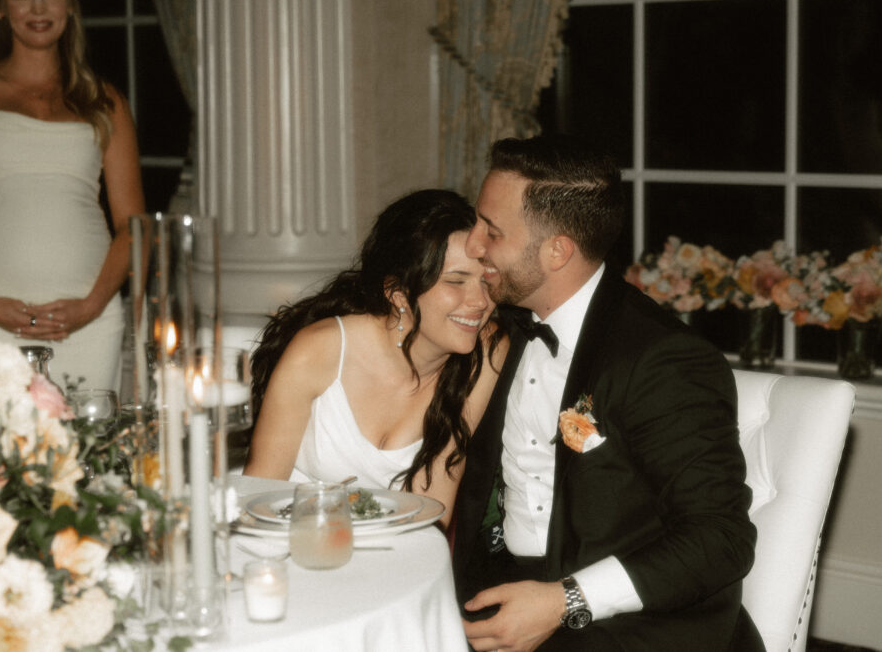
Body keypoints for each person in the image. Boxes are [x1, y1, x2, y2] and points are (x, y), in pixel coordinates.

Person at [452, 136, 764, 651]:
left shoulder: (662, 360)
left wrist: (563, 601)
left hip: (629, 626)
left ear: (558, 250)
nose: (473, 244)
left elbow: (720, 540)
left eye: (493, 230)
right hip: (501, 589)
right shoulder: (497, 324)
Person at [0, 0, 144, 391]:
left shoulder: (105, 99)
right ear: (1, 10)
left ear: (70, 6)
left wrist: (92, 306)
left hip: (87, 322)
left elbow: (135, 226)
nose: (38, 9)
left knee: (88, 455)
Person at [244, 190, 506, 523]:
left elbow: (433, 511)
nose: (480, 301)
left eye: (486, 281)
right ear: (398, 293)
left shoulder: (486, 351)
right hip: (291, 541)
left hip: (389, 555)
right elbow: (259, 496)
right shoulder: (321, 349)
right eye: (456, 281)